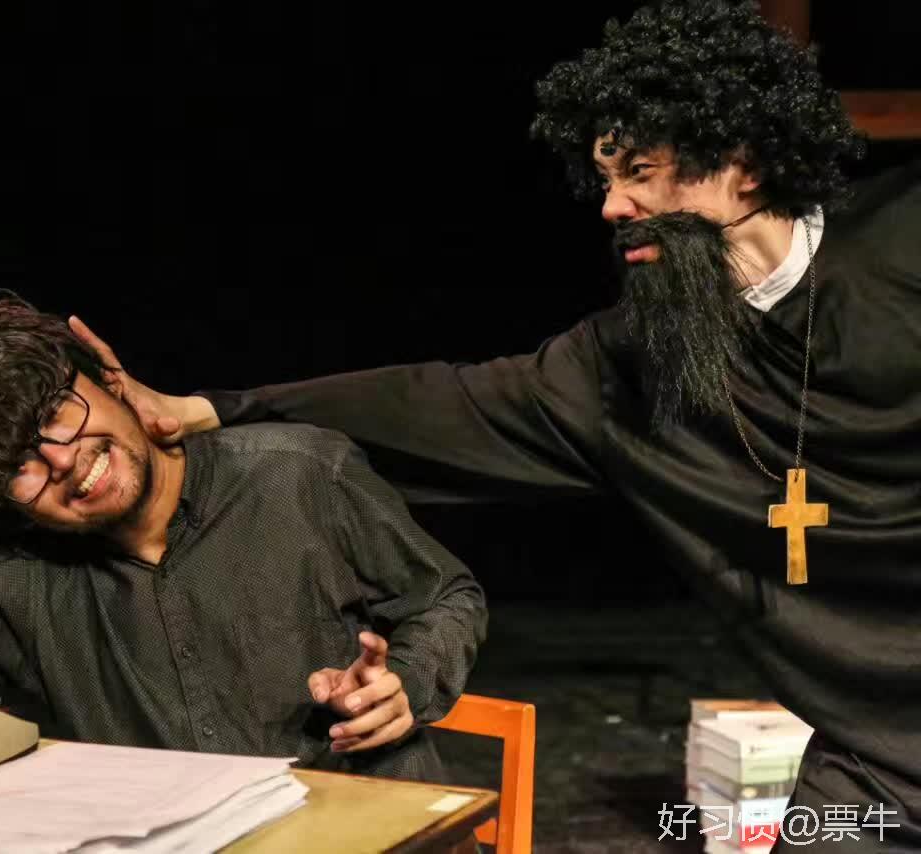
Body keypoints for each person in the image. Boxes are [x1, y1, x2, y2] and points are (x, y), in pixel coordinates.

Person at [67, 1, 921, 849]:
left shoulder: (902, 249)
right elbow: (433, 404)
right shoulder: (629, 367)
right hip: (874, 765)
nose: (612, 206)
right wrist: (212, 408)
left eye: (641, 171)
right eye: (604, 179)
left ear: (744, 165)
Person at [0, 293, 487, 782]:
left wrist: (404, 683)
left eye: (57, 415)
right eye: (17, 464)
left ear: (112, 382)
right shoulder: (6, 573)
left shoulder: (299, 472)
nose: (61, 459)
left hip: (372, 826)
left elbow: (447, 595)